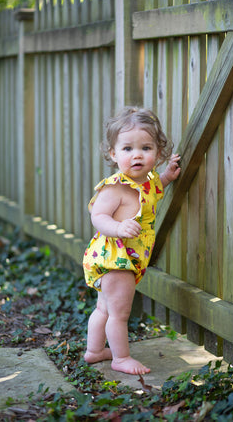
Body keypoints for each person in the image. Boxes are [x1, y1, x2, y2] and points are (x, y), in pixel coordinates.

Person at [83, 106, 181, 375]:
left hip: (124, 257)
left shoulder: (147, 181)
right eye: (127, 149)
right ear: (114, 154)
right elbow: (98, 215)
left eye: (145, 148)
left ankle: (94, 351)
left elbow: (155, 190)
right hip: (117, 257)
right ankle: (120, 358)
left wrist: (168, 177)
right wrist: (117, 226)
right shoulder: (116, 187)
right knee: (119, 313)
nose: (137, 154)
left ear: (157, 154)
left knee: (104, 306)